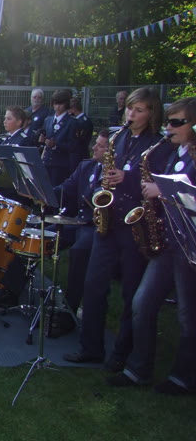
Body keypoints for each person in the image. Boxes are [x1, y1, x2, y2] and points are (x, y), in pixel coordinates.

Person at [64, 87, 168, 370]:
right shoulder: (118, 138)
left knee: (130, 292)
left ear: (152, 114)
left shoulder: (158, 145)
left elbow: (159, 184)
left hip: (136, 225)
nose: (131, 114)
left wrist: (127, 178)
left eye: (139, 110)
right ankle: (91, 347)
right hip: (108, 222)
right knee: (93, 286)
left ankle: (122, 353)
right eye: (130, 108)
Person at [107, 98, 196, 395]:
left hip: (189, 246)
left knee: (188, 315)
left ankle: (183, 378)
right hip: (168, 241)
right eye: (169, 121)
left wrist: (163, 190)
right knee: (142, 304)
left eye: (177, 122)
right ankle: (138, 370)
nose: (169, 127)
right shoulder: (174, 152)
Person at [55, 129, 109, 313]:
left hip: (96, 227)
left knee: (79, 251)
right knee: (38, 231)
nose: (94, 148)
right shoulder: (86, 166)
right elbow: (66, 188)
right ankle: (11, 290)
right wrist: (42, 193)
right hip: (77, 221)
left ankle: (69, 309)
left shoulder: (116, 174)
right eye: (96, 143)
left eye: (101, 146)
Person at [40, 89, 77, 186]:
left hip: (61, 166)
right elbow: (45, 136)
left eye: (61, 103)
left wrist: (56, 145)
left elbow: (73, 146)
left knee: (56, 191)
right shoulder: (48, 120)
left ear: (66, 104)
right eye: (55, 103)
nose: (58, 106)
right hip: (46, 163)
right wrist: (43, 140)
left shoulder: (72, 122)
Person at [69, 95, 93, 169]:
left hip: (79, 155)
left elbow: (79, 140)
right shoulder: (79, 120)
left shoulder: (82, 122)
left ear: (73, 109)